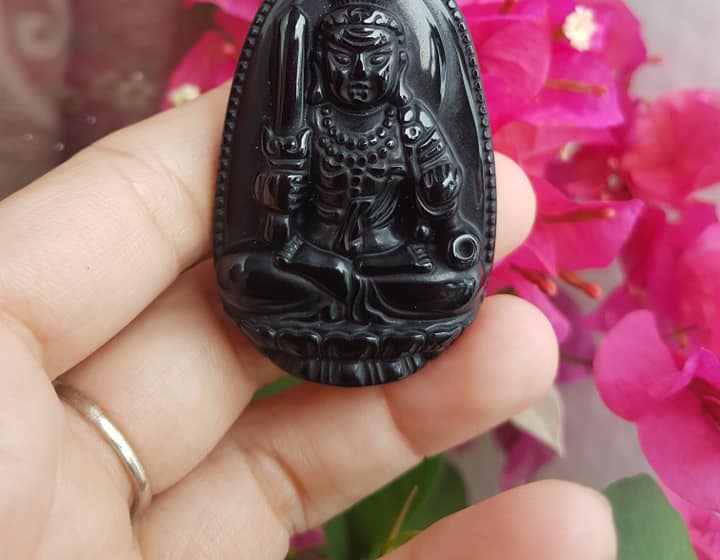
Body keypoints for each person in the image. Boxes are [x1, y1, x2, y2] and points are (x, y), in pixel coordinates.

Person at [0, 85, 617, 559]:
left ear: (392, 64)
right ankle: (334, 302)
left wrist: (433, 169)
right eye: (345, 57)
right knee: (241, 271)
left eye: (373, 58)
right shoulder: (307, 120)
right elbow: (273, 215)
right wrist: (280, 178)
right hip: (312, 260)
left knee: (450, 282)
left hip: (389, 263)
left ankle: (345, 303)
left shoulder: (410, 121)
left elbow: (443, 206)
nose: (358, 73)